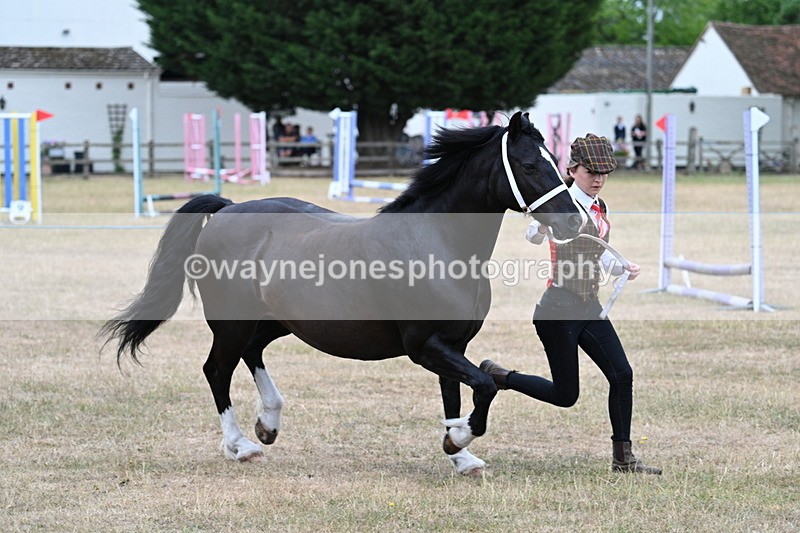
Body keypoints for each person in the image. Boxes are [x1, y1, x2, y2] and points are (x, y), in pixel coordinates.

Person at [481, 134, 661, 475]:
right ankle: (500, 376)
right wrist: (541, 226)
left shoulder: (600, 207)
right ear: (573, 169)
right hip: (557, 311)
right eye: (591, 171)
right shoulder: (559, 204)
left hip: (589, 307)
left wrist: (622, 267)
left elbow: (598, 257)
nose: (598, 179)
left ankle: (623, 458)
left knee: (622, 375)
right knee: (566, 395)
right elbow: (534, 235)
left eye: (604, 173)